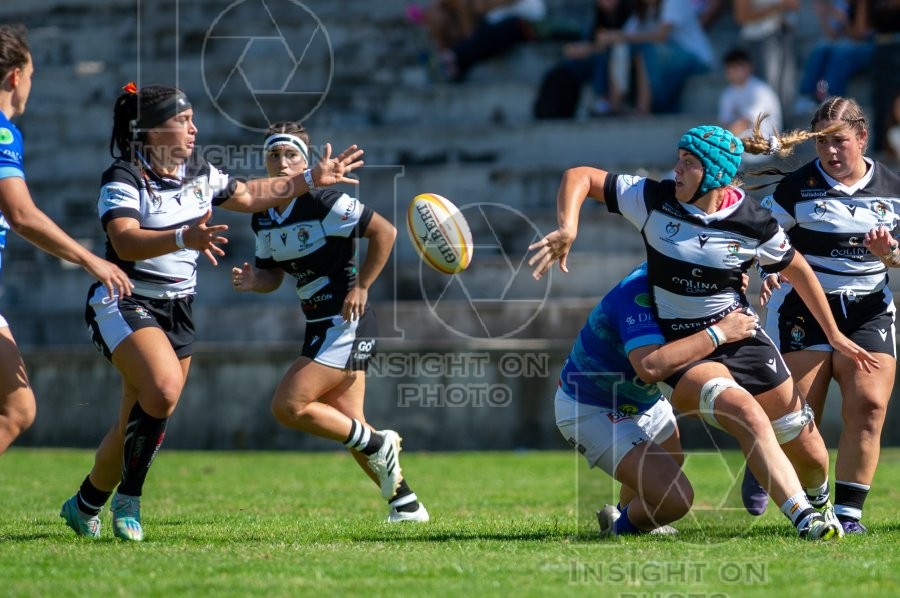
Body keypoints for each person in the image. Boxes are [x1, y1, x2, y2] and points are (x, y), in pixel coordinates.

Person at [529, 124, 881, 540]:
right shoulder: (653, 203)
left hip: (740, 336)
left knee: (811, 452)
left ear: (714, 175)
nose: (676, 170)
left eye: (689, 163)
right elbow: (580, 176)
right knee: (744, 413)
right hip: (687, 348)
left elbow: (798, 268)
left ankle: (820, 503)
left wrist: (835, 335)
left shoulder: (753, 221)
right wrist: (569, 226)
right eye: (678, 158)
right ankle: (806, 519)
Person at [59, 83, 364, 542]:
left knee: (131, 424)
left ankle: (84, 505)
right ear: (151, 130)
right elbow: (124, 240)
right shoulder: (124, 175)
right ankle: (130, 502)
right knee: (161, 392)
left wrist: (310, 180)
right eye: (182, 120)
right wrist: (185, 237)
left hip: (178, 310)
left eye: (192, 118)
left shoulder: (198, 170)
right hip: (124, 301)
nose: (193, 128)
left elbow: (247, 195)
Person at [229, 121, 428, 523]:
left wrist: (363, 287)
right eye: (273, 155)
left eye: (290, 155)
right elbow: (273, 276)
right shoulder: (263, 215)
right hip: (319, 324)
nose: (281, 162)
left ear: (305, 161)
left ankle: (379, 442)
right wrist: (255, 282)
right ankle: (406, 505)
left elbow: (385, 232)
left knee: (288, 406)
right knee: (348, 424)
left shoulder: (324, 201)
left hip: (347, 319)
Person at [754, 96, 900, 534]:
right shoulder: (795, 188)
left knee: (870, 406)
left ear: (862, 138)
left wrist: (889, 252)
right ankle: (793, 490)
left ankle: (850, 515)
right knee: (799, 417)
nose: (831, 153)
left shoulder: (893, 189)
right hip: (807, 310)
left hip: (869, 310)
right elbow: (761, 236)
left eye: (839, 142)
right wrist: (768, 270)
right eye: (822, 145)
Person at [0, 24, 133, 457]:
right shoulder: (2, 133)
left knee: (16, 409)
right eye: (33, 75)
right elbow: (21, 215)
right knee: (15, 409)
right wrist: (90, 260)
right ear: (16, 76)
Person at [555, 262, 758, 536]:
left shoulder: (688, 284)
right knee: (675, 500)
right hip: (590, 405)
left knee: (669, 468)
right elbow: (650, 367)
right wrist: (719, 332)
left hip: (643, 401)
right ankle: (619, 529)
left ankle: (622, 519)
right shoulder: (638, 293)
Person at [594, 0, 714, 114]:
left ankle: (643, 108)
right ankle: (614, 104)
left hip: (696, 58)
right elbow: (625, 36)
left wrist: (619, 36)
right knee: (620, 46)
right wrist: (609, 39)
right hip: (665, 58)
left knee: (645, 48)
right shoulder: (642, 10)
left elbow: (661, 36)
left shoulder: (673, 2)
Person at [793, 0, 874, 115]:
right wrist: (825, 15)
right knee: (821, 47)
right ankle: (807, 94)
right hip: (849, 43)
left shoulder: (865, 4)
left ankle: (832, 95)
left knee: (842, 51)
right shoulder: (843, 4)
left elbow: (858, 34)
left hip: (871, 47)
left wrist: (843, 19)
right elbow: (832, 35)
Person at [733, 0, 800, 116]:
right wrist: (777, 7)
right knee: (766, 94)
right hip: (758, 40)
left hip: (784, 35)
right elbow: (741, 15)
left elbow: (794, 5)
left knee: (786, 96)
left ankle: (785, 132)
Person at [718, 48, 783, 143]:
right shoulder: (727, 93)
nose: (733, 71)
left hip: (765, 143)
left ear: (748, 67)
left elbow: (746, 122)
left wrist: (721, 140)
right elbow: (725, 122)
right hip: (739, 143)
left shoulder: (761, 90)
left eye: (737, 67)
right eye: (730, 67)